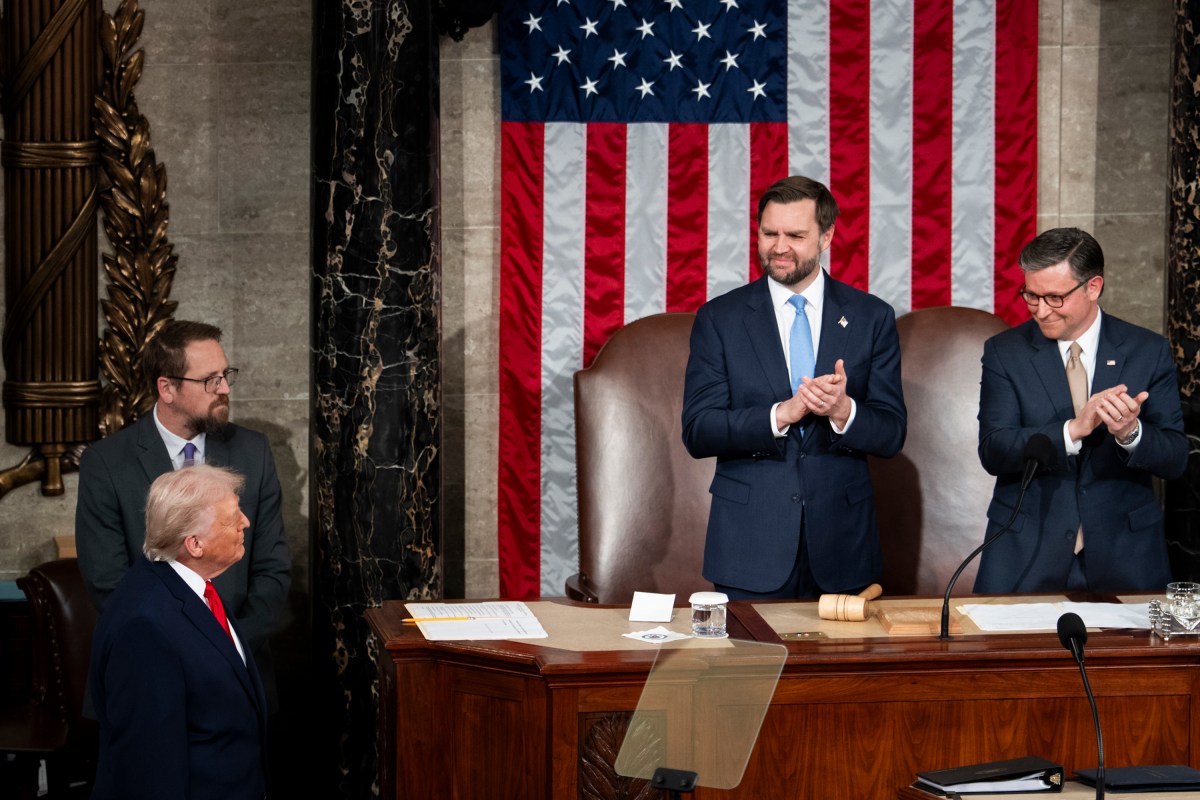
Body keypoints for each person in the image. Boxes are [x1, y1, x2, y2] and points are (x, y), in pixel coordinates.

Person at [681, 175, 907, 600]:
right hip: (749, 551)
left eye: (795, 235)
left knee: (843, 670)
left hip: (844, 549)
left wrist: (843, 411)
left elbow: (892, 432)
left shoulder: (870, 317)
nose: (778, 247)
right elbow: (698, 430)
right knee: (750, 668)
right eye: (769, 233)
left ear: (826, 236)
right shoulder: (720, 319)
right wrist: (779, 415)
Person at [76, 320, 291, 694]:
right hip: (147, 674)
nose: (224, 389)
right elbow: (107, 583)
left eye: (225, 375)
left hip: (240, 669)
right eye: (210, 380)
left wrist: (229, 644)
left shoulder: (253, 452)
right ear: (167, 388)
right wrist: (184, 650)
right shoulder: (107, 463)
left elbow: (273, 570)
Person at [975, 227, 1187, 592]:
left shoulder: (1146, 350)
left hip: (1126, 554)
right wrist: (1071, 430)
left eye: (1055, 298)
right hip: (1027, 554)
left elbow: (1175, 458)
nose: (1041, 310)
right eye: (1031, 296)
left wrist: (1130, 434)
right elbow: (994, 449)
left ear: (1093, 287)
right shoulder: (1004, 352)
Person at [90, 465, 269, 800]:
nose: (245, 522)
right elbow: (148, 769)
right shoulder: (144, 627)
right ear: (195, 544)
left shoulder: (193, 588)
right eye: (233, 518)